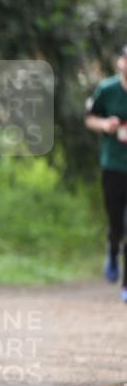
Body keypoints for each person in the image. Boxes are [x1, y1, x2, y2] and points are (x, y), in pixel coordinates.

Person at [85, 43, 127, 303]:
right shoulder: (107, 89)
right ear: (121, 63)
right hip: (113, 165)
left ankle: (126, 285)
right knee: (116, 225)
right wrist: (105, 124)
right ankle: (112, 251)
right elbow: (89, 118)